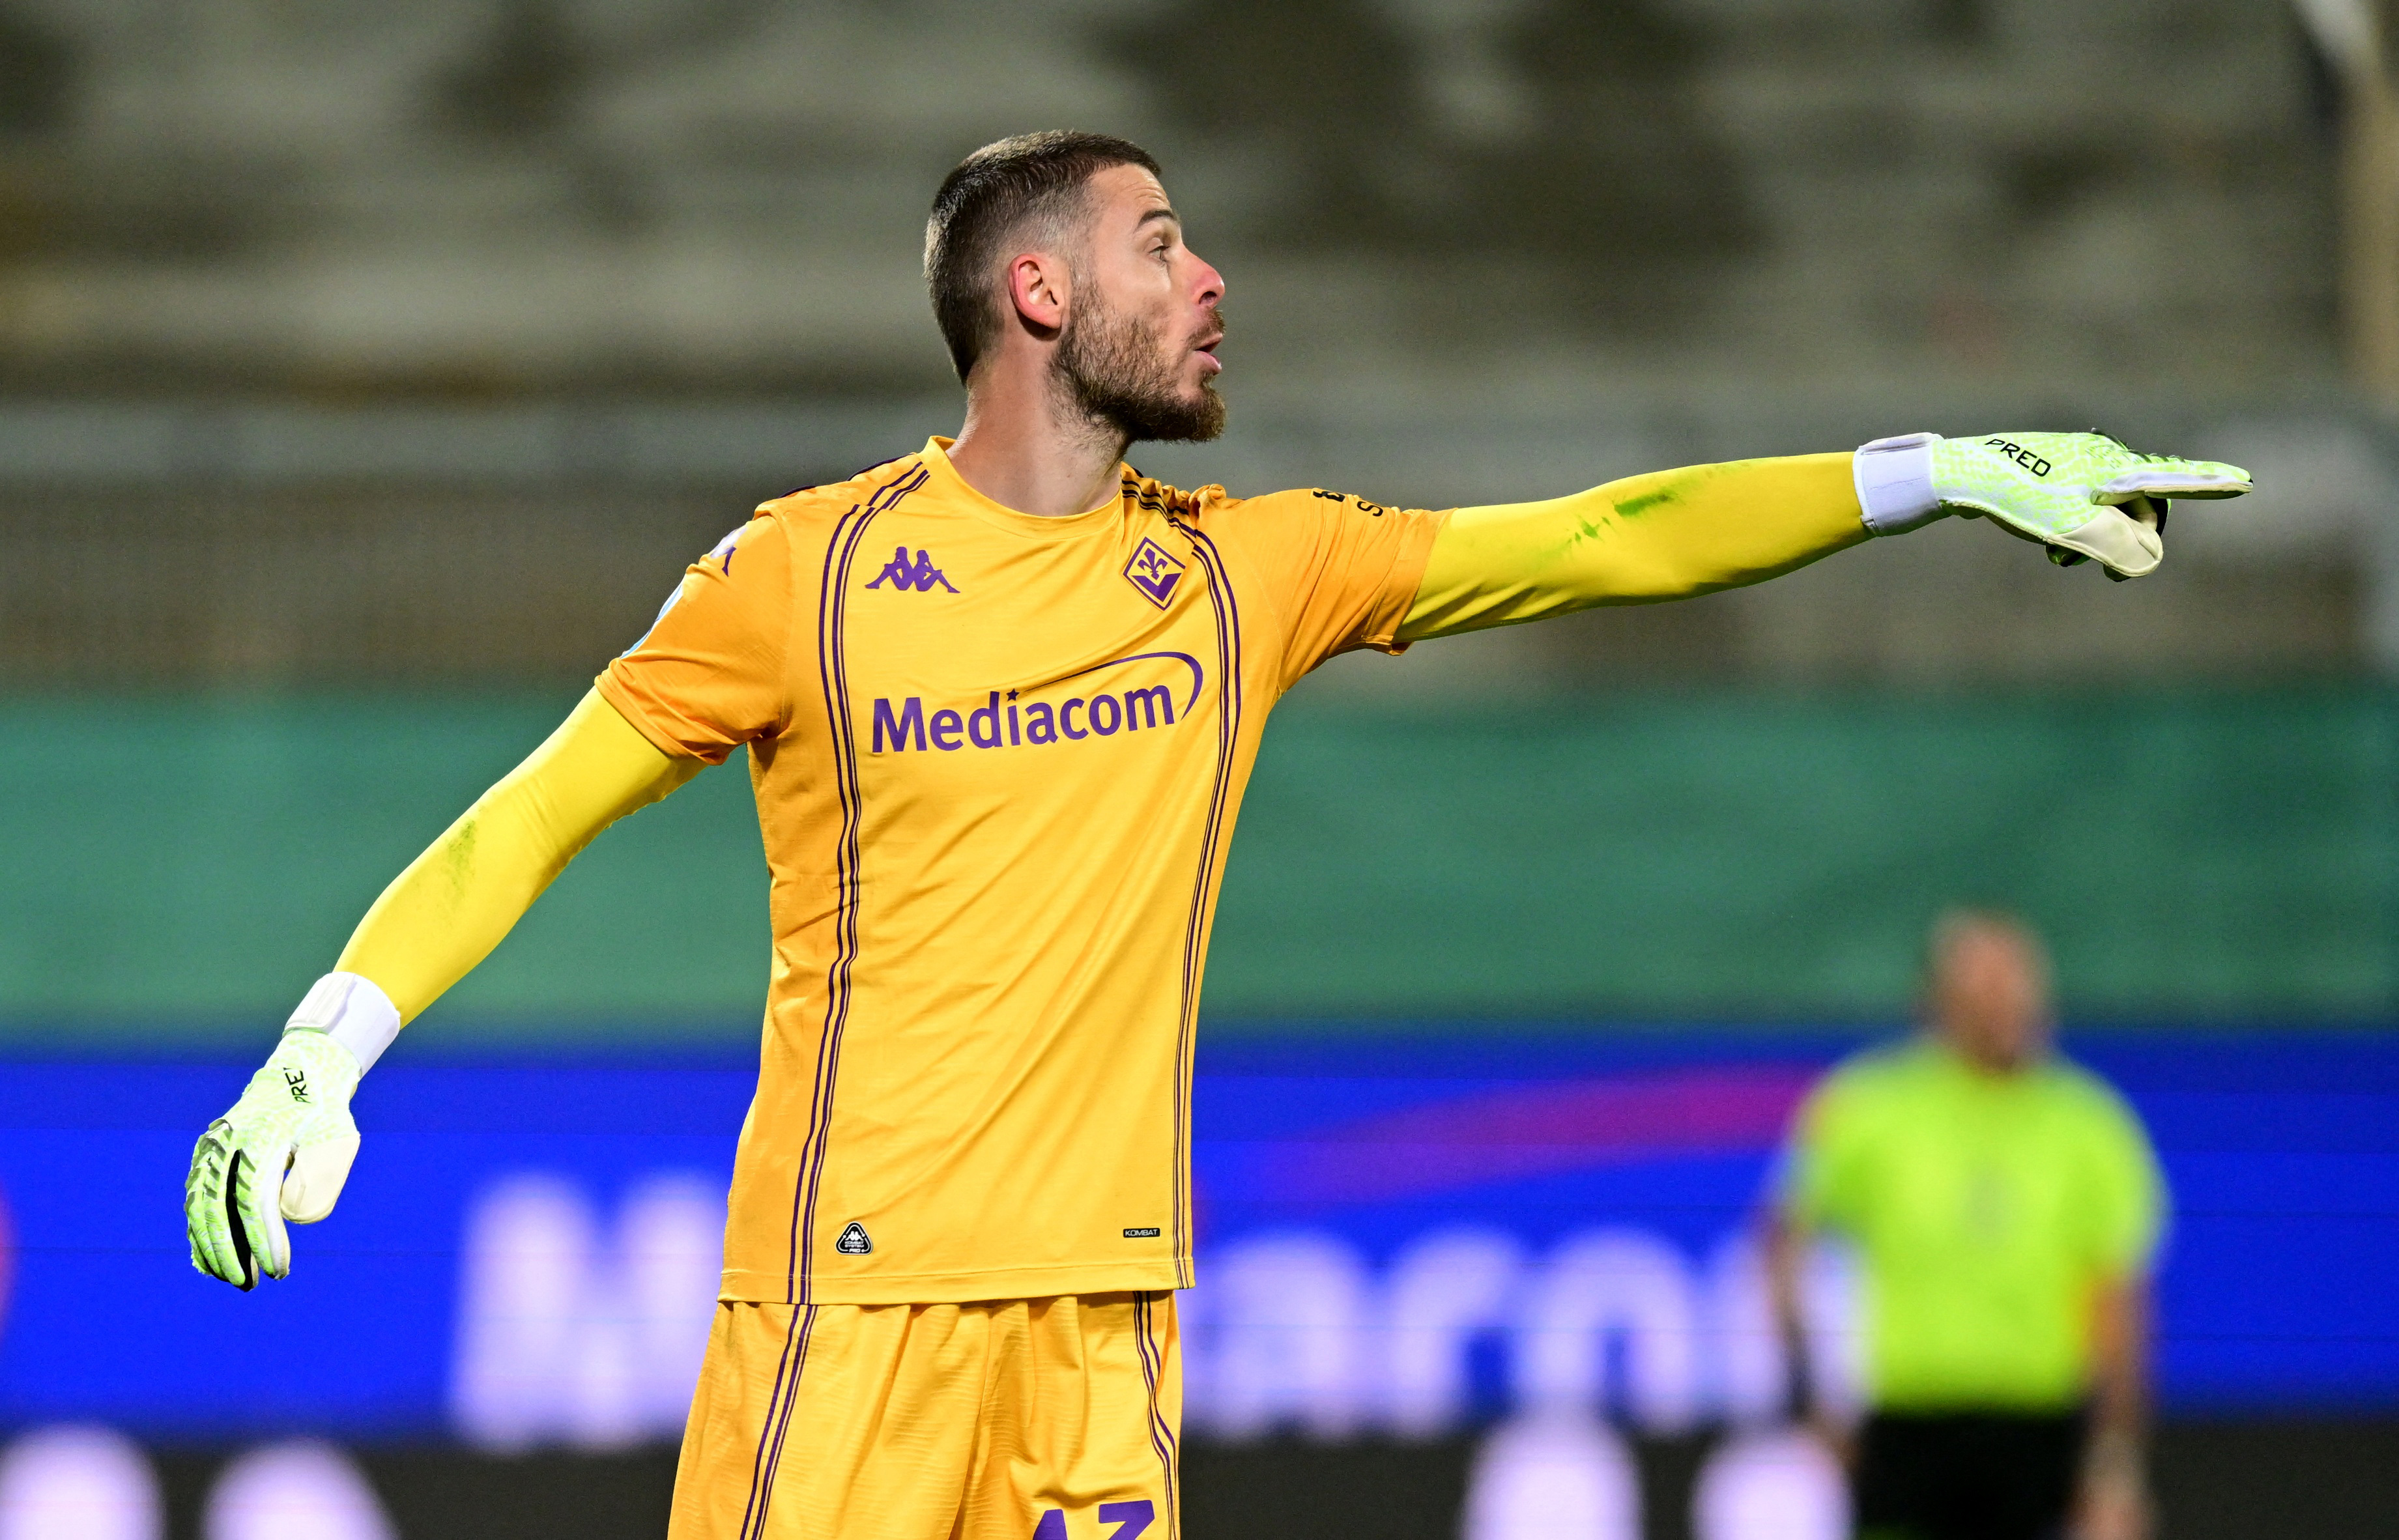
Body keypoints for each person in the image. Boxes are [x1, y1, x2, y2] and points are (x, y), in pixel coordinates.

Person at [184, 133, 2237, 1539]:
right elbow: (532, 810)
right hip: (850, 1307)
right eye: (1166, 241)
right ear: (1038, 283)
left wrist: (1924, 467)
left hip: (1108, 1319)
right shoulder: (800, 578)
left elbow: (1612, 535)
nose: (1213, 277)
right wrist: (323, 1051)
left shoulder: (1251, 576)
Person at [1766, 910, 2168, 1540]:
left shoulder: (2091, 1127)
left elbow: (2119, 1303)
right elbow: (1783, 1243)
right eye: (1981, 990)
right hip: (1909, 1428)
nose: (2003, 1007)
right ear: (1937, 1003)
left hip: (2039, 1430)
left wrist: (2114, 1463)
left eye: (2015, 987)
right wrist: (1808, 1402)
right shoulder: (1872, 1111)